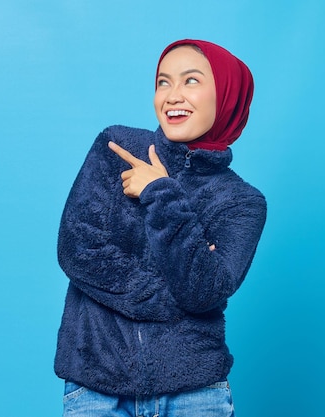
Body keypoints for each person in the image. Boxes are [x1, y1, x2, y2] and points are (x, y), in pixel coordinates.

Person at [54, 39, 267, 416]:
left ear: (227, 96)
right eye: (163, 82)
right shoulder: (116, 147)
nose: (172, 95)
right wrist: (176, 299)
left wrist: (159, 191)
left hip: (195, 394)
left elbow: (203, 292)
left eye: (191, 81)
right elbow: (78, 250)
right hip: (96, 388)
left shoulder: (242, 202)